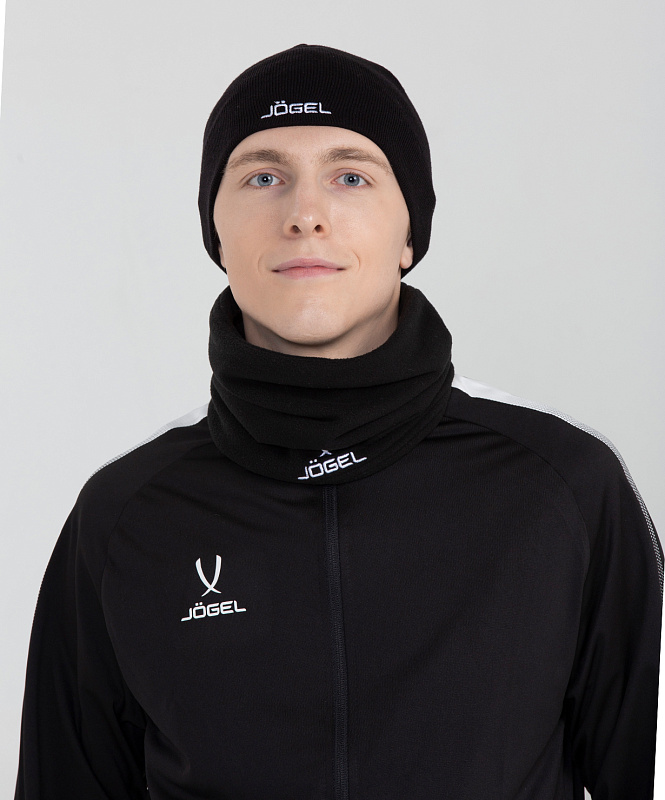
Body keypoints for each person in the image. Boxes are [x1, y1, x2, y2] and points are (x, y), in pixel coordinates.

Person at [14, 43, 662, 800]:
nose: (304, 215)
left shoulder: (563, 484)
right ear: (216, 232)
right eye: (263, 177)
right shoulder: (127, 513)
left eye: (350, 176)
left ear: (409, 232)